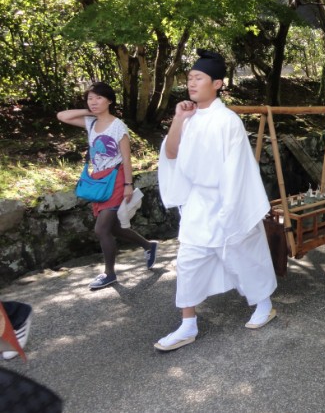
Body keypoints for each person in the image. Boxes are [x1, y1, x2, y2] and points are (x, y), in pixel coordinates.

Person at [155, 50, 277, 352]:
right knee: (188, 262)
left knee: (243, 256)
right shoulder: (189, 116)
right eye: (190, 78)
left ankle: (264, 304)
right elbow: (171, 154)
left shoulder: (228, 121)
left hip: (229, 200)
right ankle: (188, 324)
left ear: (218, 84)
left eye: (198, 78)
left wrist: (230, 209)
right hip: (198, 202)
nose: (192, 83)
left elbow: (236, 168)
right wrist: (179, 119)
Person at [57, 83, 157, 290]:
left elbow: (127, 159)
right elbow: (62, 116)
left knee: (101, 229)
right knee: (114, 228)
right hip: (99, 179)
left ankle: (109, 274)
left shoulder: (117, 125)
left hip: (117, 178)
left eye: (99, 98)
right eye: (90, 98)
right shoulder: (91, 123)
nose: (93, 102)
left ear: (110, 100)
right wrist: (91, 110)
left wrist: (129, 184)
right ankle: (148, 245)